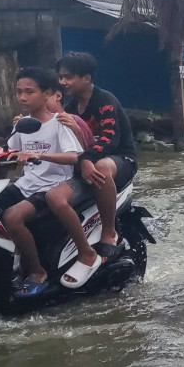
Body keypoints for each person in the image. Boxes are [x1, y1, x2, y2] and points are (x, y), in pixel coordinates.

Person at [0, 68, 85, 298]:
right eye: (19, 92)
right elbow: (11, 154)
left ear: (47, 93)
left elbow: (74, 156)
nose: (22, 98)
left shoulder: (59, 123)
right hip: (25, 185)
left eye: (29, 92)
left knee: (12, 216)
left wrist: (40, 156)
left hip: (50, 186)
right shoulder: (22, 125)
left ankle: (37, 272)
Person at [56, 52, 138, 261]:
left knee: (101, 166)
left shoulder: (105, 101)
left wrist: (85, 159)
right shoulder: (71, 108)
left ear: (87, 78)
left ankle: (108, 232)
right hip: (87, 160)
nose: (63, 82)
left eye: (69, 77)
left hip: (120, 159)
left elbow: (110, 139)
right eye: (61, 77)